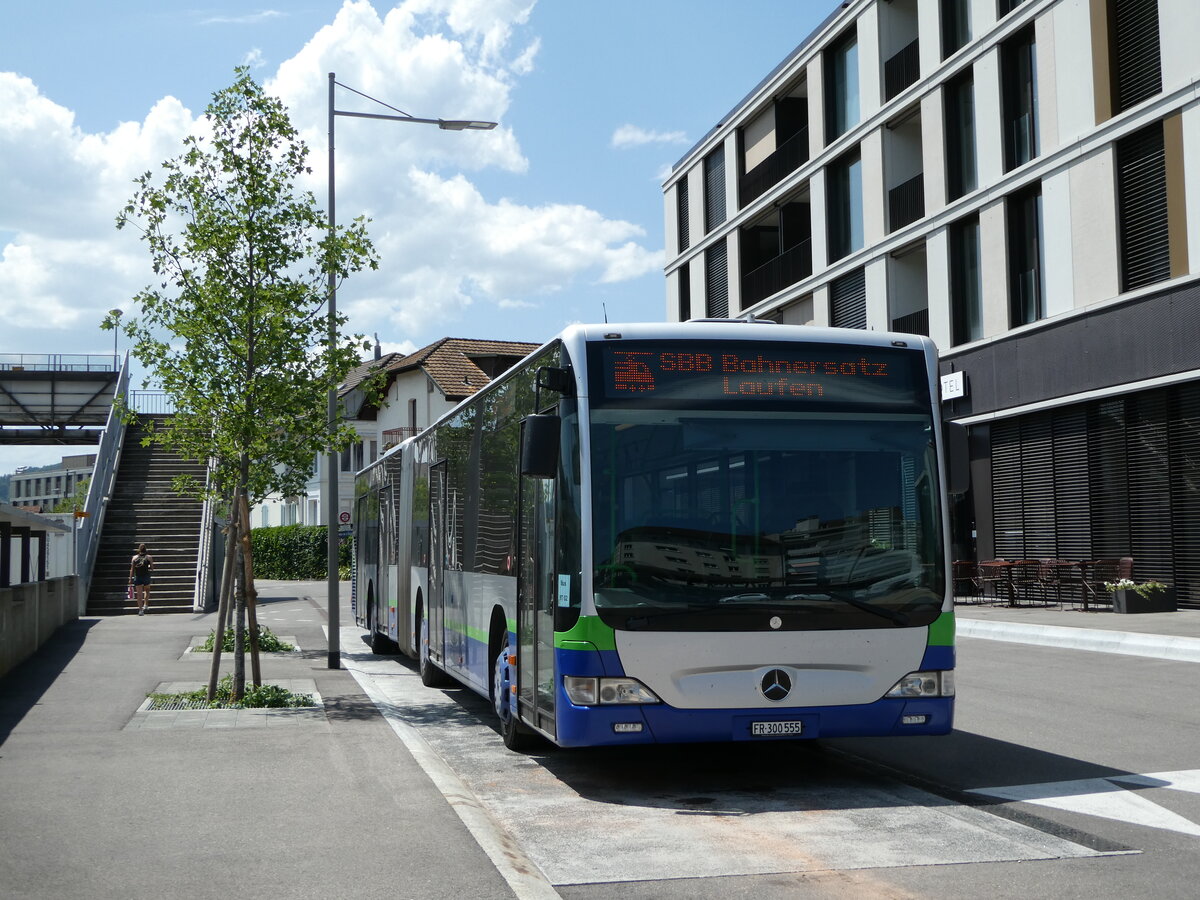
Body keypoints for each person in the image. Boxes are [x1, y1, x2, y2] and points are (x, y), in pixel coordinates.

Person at [129, 543, 155, 615]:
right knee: (147, 590)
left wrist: (130, 578)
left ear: (138, 550)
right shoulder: (149, 557)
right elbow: (152, 568)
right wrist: (149, 566)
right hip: (146, 576)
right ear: (145, 549)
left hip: (137, 576)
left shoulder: (134, 558)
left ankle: (140, 610)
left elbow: (132, 569)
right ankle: (145, 604)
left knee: (139, 594)